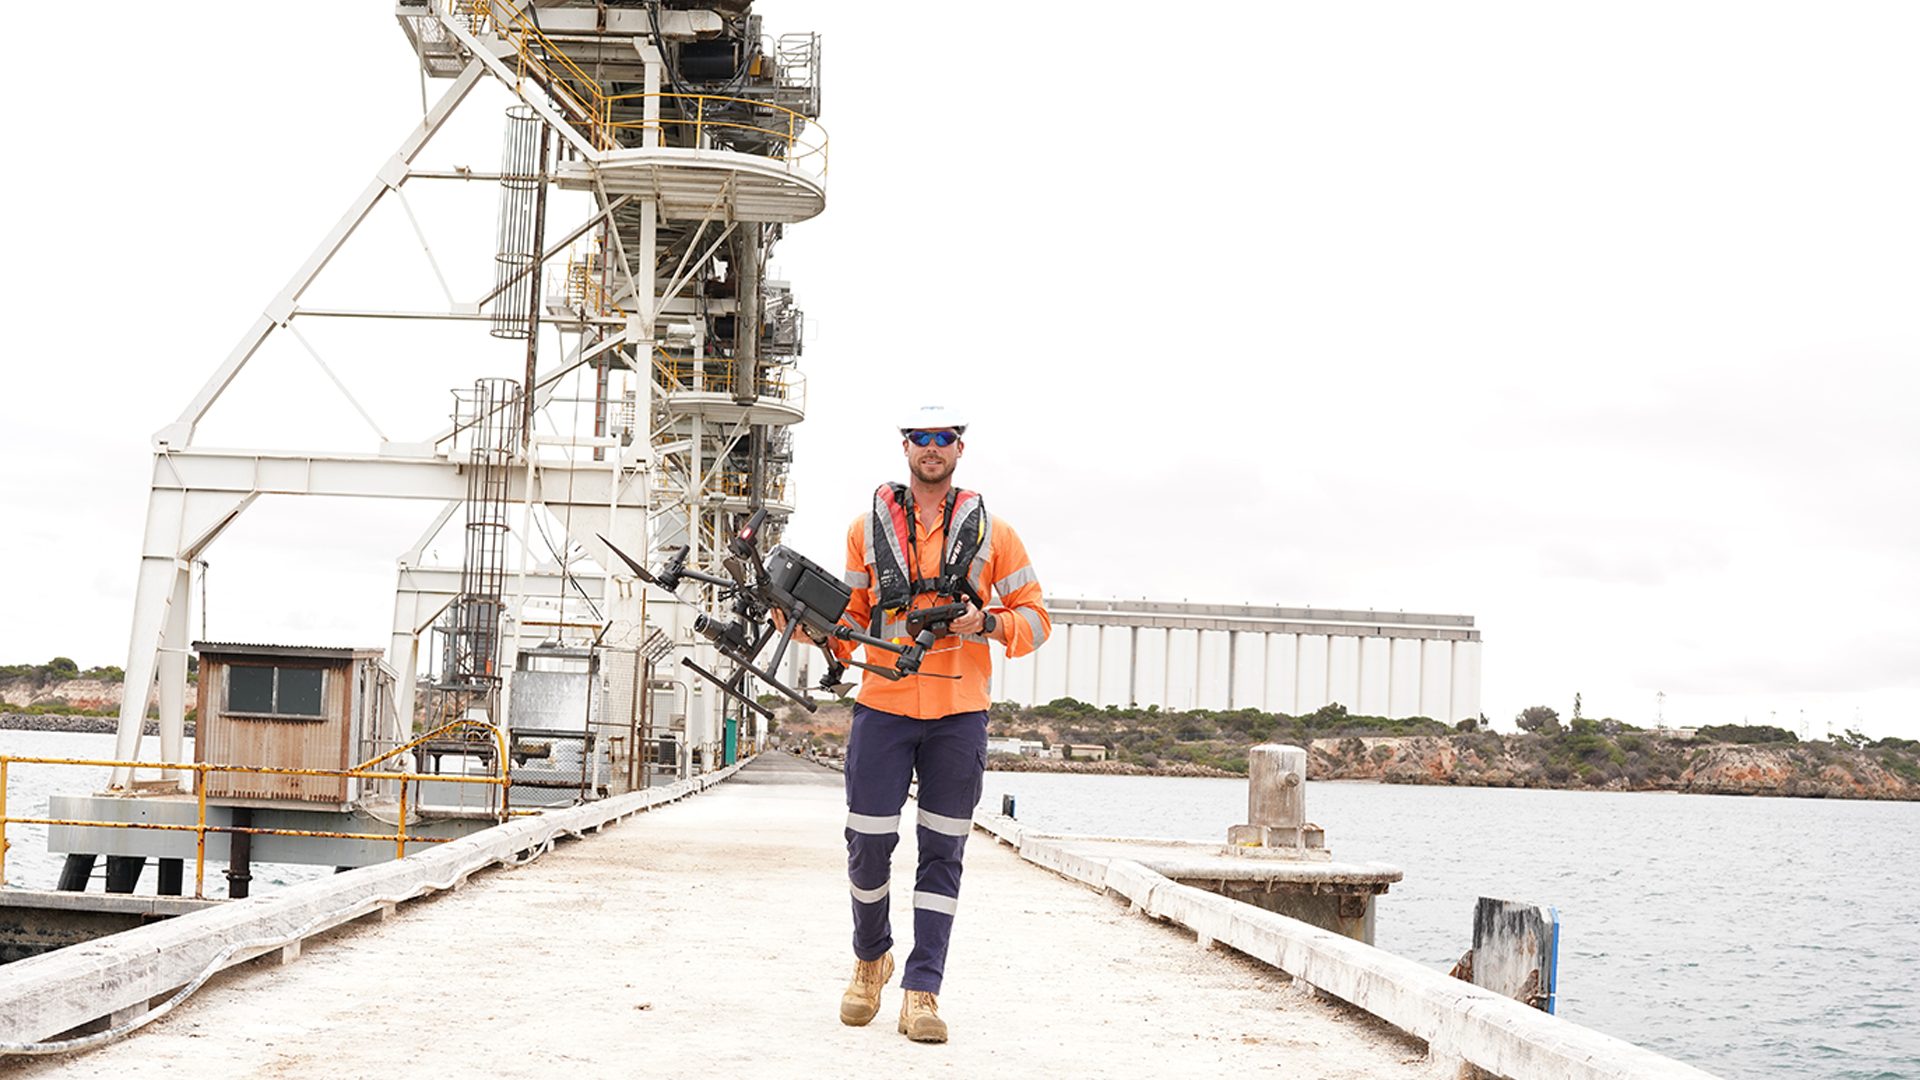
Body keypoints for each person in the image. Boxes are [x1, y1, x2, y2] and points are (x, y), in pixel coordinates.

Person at [827, 406, 1050, 1044]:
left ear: (958, 448)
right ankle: (871, 958)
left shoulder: (996, 534)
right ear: (905, 447)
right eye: (920, 438)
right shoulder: (864, 531)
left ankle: (922, 989)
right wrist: (818, 632)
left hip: (959, 711)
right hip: (883, 703)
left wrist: (988, 621)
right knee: (867, 842)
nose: (932, 447)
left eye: (943, 438)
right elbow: (850, 617)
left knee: (943, 851)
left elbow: (1037, 619)